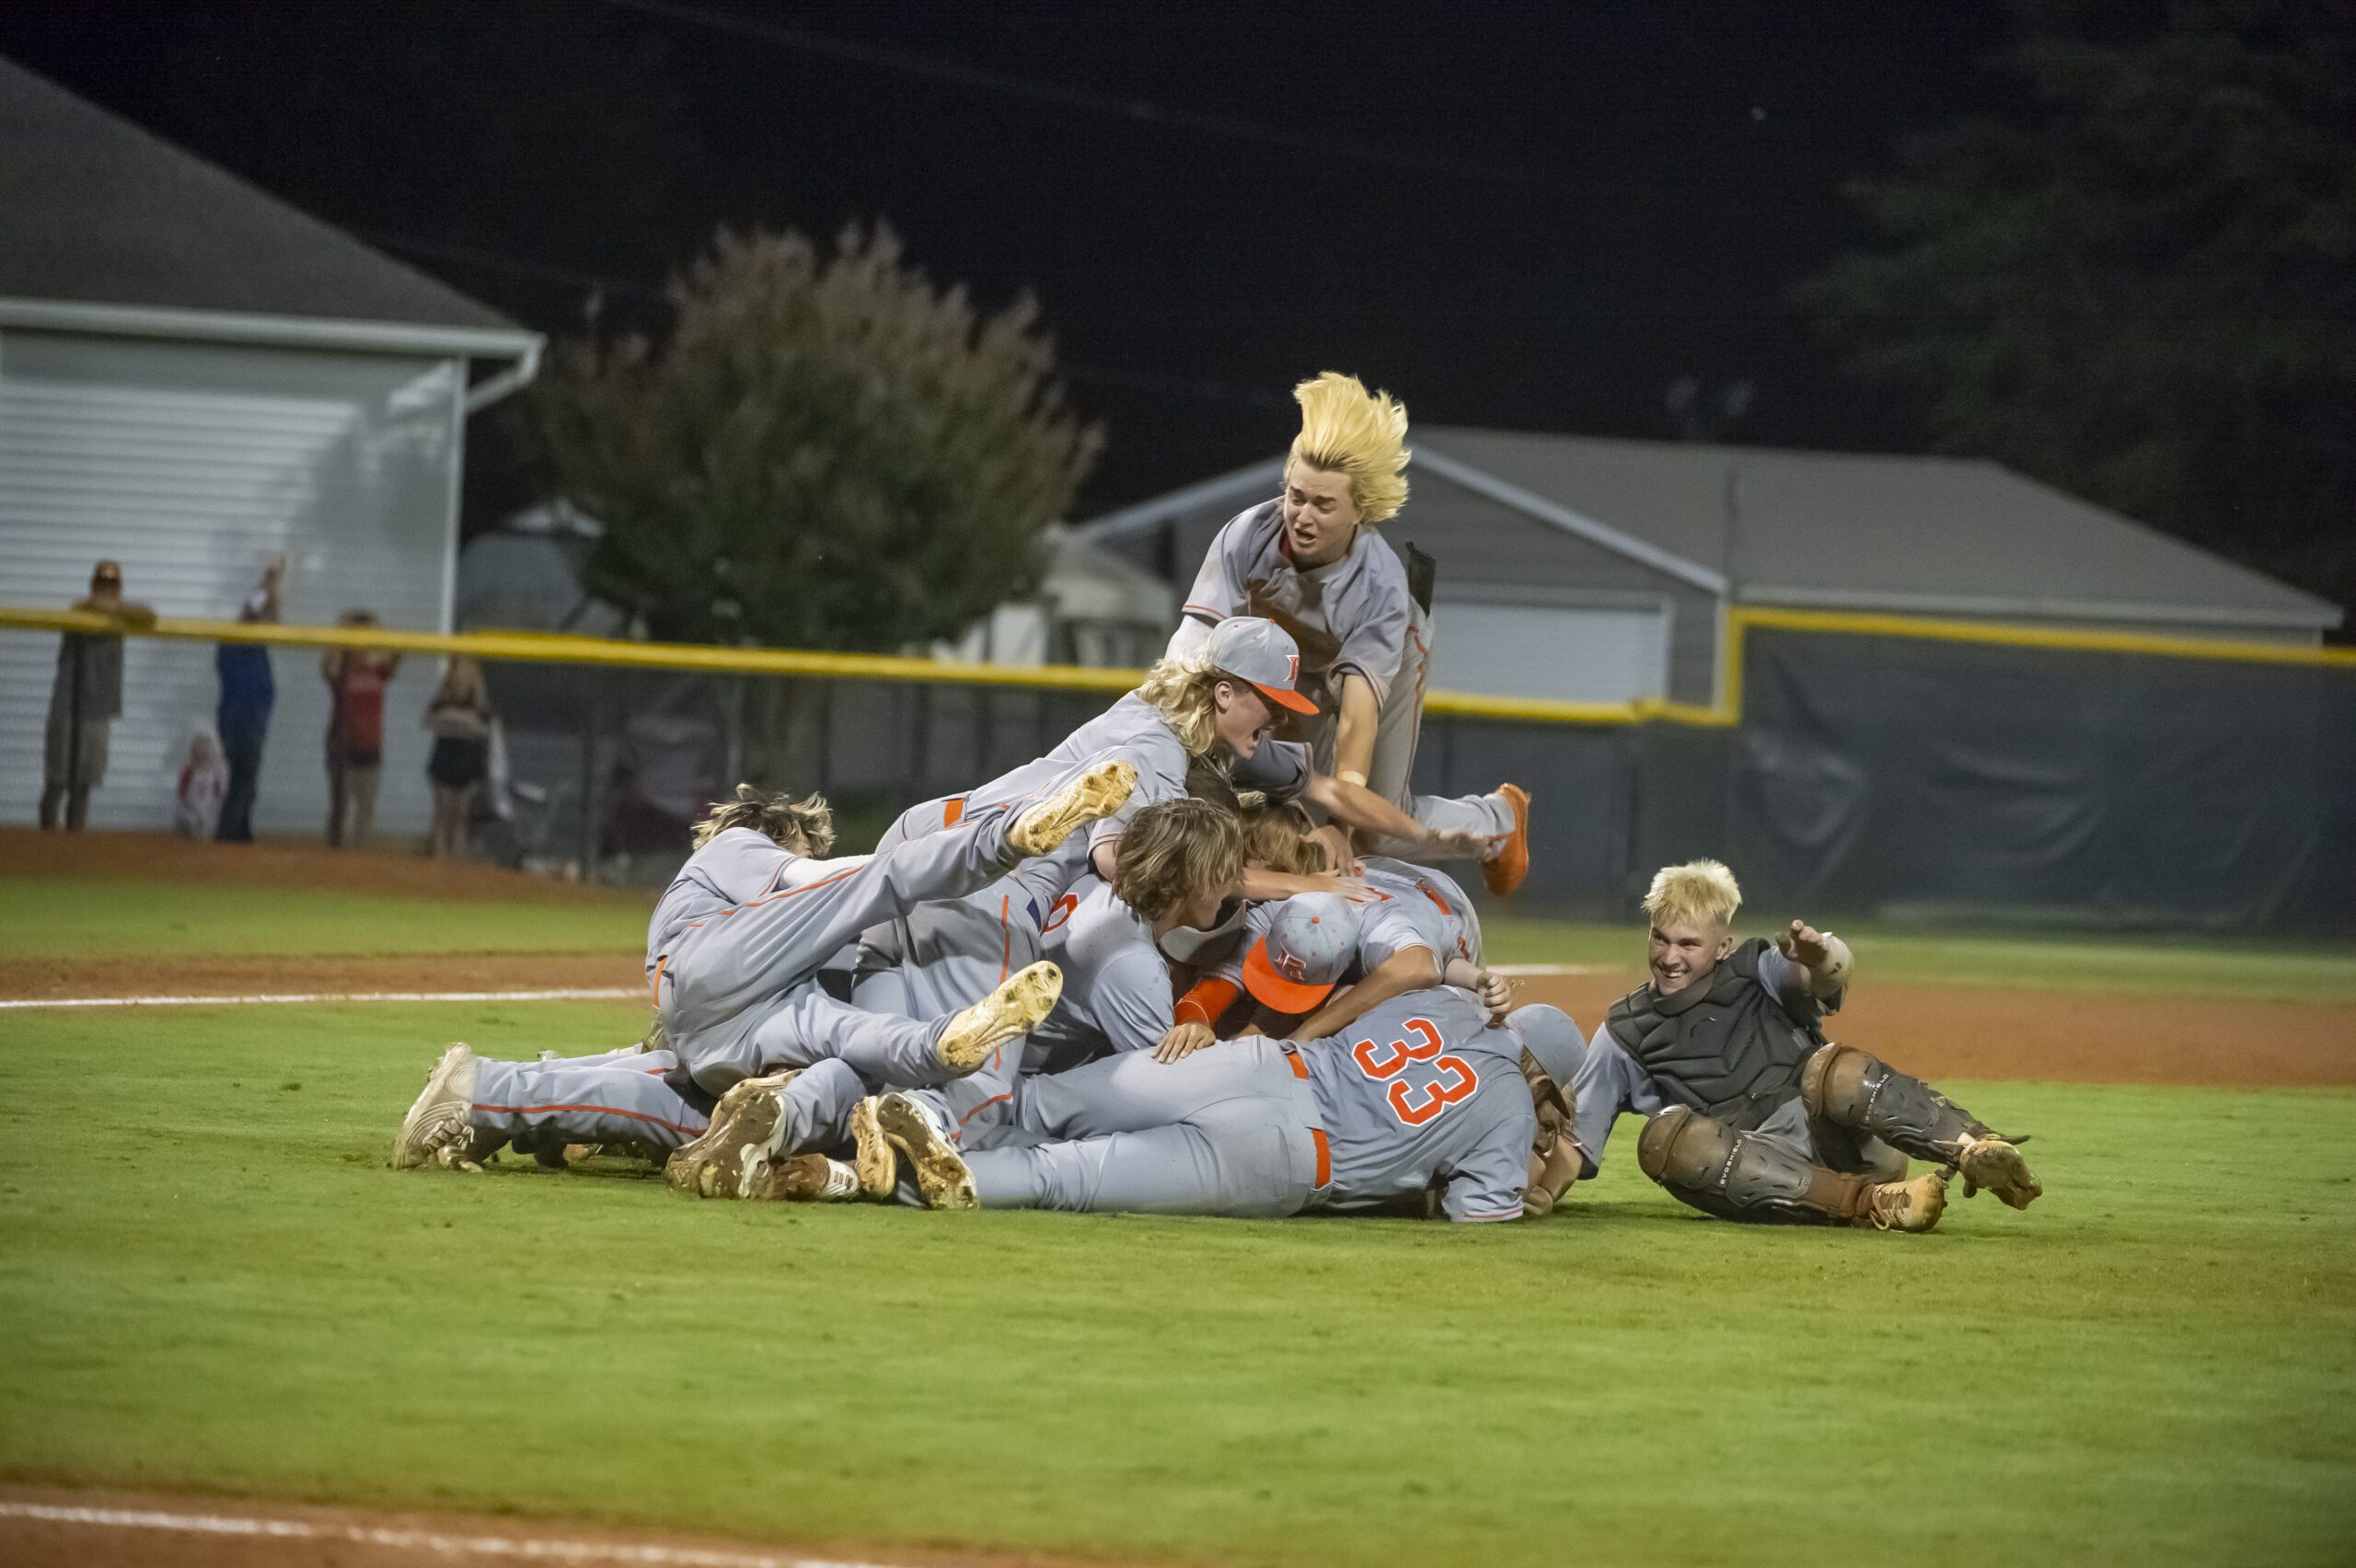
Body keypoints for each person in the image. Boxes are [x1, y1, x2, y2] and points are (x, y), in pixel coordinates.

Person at [389, 763, 1138, 1176]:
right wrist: (900, 868)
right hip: (716, 959)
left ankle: (488, 1097)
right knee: (875, 885)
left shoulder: (770, 911)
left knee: (847, 1045)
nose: (804, 854)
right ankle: (1007, 836)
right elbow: (831, 887)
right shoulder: (739, 849)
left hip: (730, 1027)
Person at [1167, 373, 1531, 894]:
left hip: (1390, 657)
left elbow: (1358, 717)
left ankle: (1499, 821)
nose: (1303, 516)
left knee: (1372, 832)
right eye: (1296, 496)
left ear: (1361, 510)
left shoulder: (1378, 583)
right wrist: (1172, 723)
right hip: (1291, 670)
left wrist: (1342, 826)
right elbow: (1190, 645)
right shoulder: (1248, 534)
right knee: (1280, 803)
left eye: (1324, 504)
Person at [1569, 859, 2044, 1234]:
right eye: (1659, 938)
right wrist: (1527, 1187)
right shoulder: (1623, 1031)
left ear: (1722, 946)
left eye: (1688, 944)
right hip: (1759, 1174)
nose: (1669, 957)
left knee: (1828, 1068)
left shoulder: (1758, 969)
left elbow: (1828, 968)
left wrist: (1820, 956)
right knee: (1664, 1138)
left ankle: (1974, 1148)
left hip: (1846, 1146)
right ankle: (1873, 1206)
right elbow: (1577, 1146)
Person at [40, 559, 156, 832]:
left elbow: (149, 616)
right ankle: (44, 845)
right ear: (93, 584)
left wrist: (117, 607)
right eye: (102, 582)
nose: (106, 588)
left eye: (111, 583)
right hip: (68, 704)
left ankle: (75, 845)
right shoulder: (80, 609)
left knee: (84, 783)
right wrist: (110, 608)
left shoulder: (124, 614)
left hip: (98, 706)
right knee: (57, 779)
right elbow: (86, 612)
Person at [214, 559, 283, 844]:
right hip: (244, 718)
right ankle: (229, 835)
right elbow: (261, 614)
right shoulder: (238, 643)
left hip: (245, 717)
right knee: (242, 780)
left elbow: (265, 615)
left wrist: (269, 586)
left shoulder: (241, 642)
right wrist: (269, 586)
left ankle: (240, 832)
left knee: (246, 781)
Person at [322, 611, 398, 849]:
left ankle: (359, 864)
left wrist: (378, 634)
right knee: (340, 808)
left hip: (370, 745)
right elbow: (329, 666)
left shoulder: (378, 668)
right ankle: (333, 859)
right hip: (342, 743)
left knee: (366, 809)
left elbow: (398, 653)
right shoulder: (342, 665)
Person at [423, 656, 492, 859]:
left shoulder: (477, 702)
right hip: (445, 756)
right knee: (442, 814)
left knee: (460, 815)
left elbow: (483, 729)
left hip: (466, 759)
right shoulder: (442, 699)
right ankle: (439, 856)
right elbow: (428, 721)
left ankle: (455, 859)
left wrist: (456, 723)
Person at [173, 726, 228, 839]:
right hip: (192, 805)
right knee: (189, 818)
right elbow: (183, 787)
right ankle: (191, 829)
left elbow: (222, 789)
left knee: (202, 820)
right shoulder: (191, 768)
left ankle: (199, 830)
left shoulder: (219, 769)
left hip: (206, 804)